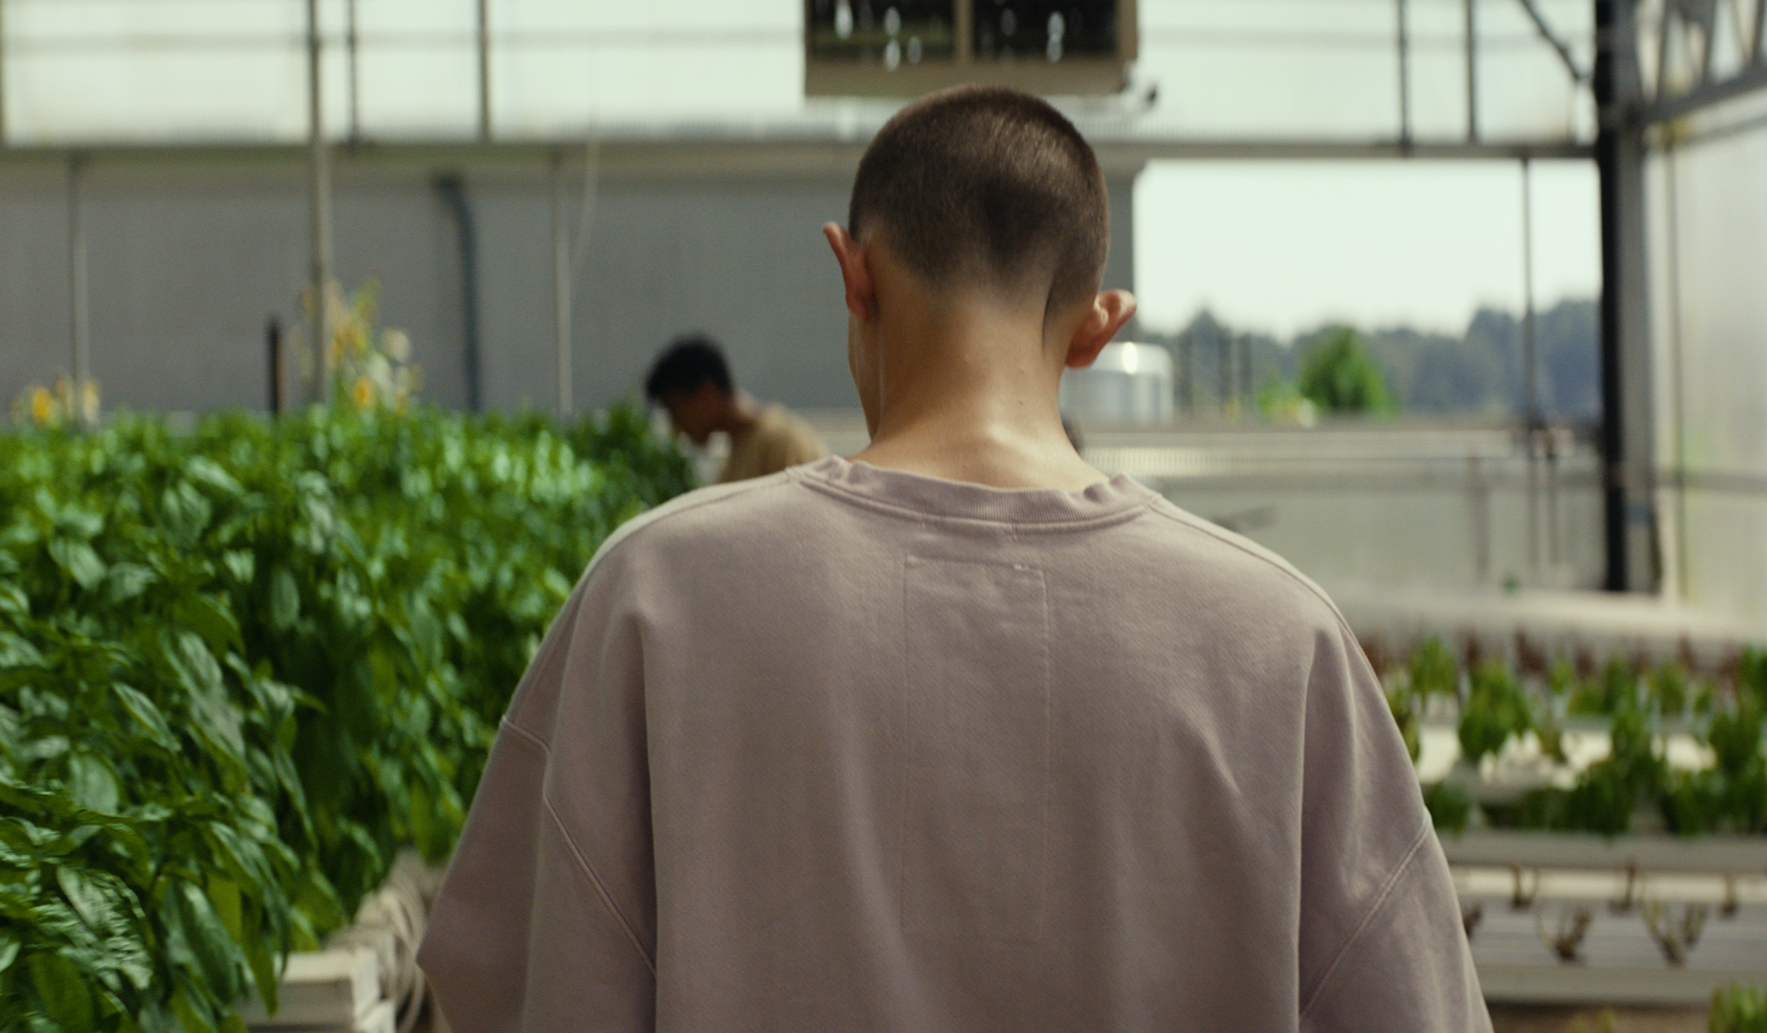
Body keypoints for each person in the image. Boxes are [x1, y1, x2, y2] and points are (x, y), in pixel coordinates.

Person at [418, 85, 1491, 1032]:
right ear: (1097, 327)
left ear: (854, 272)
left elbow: (514, 986)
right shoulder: (1281, 641)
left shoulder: (653, 595)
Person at [642, 335, 826, 482]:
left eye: (675, 411)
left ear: (706, 395)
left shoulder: (783, 442)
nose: (676, 428)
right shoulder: (734, 456)